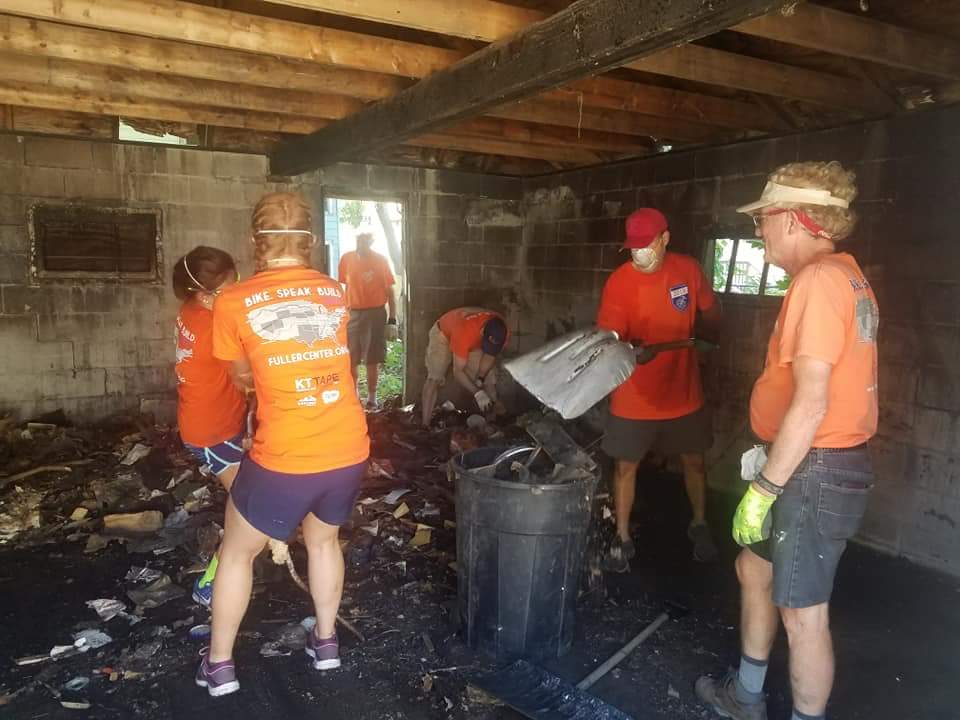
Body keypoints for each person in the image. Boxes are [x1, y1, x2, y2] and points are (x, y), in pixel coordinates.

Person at [696, 162, 878, 720]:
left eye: (766, 219)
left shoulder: (819, 282)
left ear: (798, 221)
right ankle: (746, 696)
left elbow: (814, 400)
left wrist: (768, 485)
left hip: (812, 471)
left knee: (803, 613)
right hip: (806, 462)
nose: (759, 231)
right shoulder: (844, 275)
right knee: (755, 570)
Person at [196, 192, 370, 697]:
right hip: (348, 447)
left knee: (235, 553)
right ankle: (326, 643)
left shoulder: (231, 301)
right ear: (310, 241)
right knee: (322, 542)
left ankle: (220, 666)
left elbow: (241, 373)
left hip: (285, 455)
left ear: (256, 242)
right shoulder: (335, 291)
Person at [596, 208, 722, 570]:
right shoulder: (620, 282)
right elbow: (609, 337)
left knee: (695, 461)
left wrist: (712, 335)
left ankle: (699, 523)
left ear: (665, 239)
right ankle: (622, 539)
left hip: (683, 391)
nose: (639, 254)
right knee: (625, 467)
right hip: (634, 396)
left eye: (646, 245)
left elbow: (711, 312)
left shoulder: (688, 271)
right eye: (632, 247)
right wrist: (627, 348)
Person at [172, 246, 248, 608]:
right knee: (251, 506)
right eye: (230, 289)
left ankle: (240, 561)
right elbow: (247, 375)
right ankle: (213, 581)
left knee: (245, 497)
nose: (236, 293)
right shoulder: (214, 327)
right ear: (204, 295)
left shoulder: (191, 309)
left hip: (204, 423)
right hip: (214, 433)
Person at [338, 232, 397, 410]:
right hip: (352, 313)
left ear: (370, 243)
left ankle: (372, 398)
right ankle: (354, 396)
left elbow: (390, 292)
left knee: (372, 357)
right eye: (359, 241)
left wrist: (392, 320)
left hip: (375, 314)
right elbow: (344, 286)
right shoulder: (346, 259)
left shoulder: (380, 260)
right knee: (351, 357)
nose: (361, 245)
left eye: (365, 242)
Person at [420, 307, 508, 427]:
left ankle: (490, 425)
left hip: (473, 339)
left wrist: (480, 378)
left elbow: (490, 356)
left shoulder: (502, 331)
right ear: (482, 332)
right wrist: (477, 393)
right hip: (444, 334)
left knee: (489, 379)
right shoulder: (464, 331)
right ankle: (425, 425)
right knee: (435, 377)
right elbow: (458, 371)